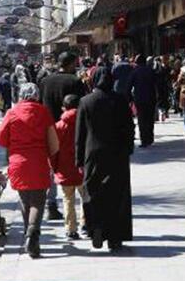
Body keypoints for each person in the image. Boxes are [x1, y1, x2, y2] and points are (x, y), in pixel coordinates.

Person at [0, 83, 59, 258]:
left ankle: (28, 233)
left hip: (18, 163)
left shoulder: (12, 112)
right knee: (38, 201)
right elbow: (53, 142)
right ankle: (33, 232)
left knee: (25, 200)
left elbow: (2, 139)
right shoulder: (43, 112)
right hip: (38, 161)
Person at [76, 67, 135, 252]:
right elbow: (129, 127)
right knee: (117, 194)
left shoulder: (86, 101)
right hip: (117, 153)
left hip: (92, 153)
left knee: (92, 192)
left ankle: (96, 227)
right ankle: (115, 236)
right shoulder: (120, 100)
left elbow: (80, 134)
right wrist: (128, 148)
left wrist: (78, 159)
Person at [39, 52, 88, 220]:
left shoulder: (45, 82)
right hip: (70, 128)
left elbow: (39, 105)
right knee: (73, 162)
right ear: (70, 64)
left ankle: (50, 205)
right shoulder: (74, 81)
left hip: (49, 129)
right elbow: (83, 105)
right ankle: (81, 206)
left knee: (51, 166)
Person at [53, 94, 89, 240]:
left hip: (64, 167)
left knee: (68, 199)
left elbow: (53, 150)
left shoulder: (58, 126)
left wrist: (54, 167)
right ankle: (85, 224)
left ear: (63, 108)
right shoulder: (85, 123)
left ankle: (70, 229)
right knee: (85, 197)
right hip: (82, 167)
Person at [130, 54, 158, 147]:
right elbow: (157, 84)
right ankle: (150, 138)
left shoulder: (134, 72)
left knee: (142, 120)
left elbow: (129, 85)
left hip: (139, 98)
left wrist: (128, 98)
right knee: (150, 118)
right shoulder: (151, 71)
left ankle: (144, 140)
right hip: (151, 97)